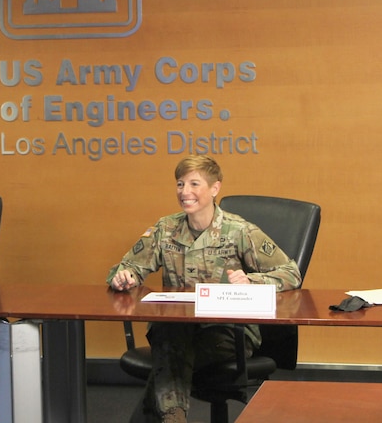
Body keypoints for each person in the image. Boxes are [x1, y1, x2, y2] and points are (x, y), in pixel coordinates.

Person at [107, 155, 301, 423]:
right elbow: (129, 267)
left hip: (228, 333)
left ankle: (171, 418)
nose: (185, 192)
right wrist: (124, 276)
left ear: (215, 189)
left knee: (173, 354)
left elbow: (291, 273)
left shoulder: (239, 231)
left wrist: (251, 281)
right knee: (173, 337)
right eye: (180, 184)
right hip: (176, 327)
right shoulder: (165, 229)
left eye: (194, 184)